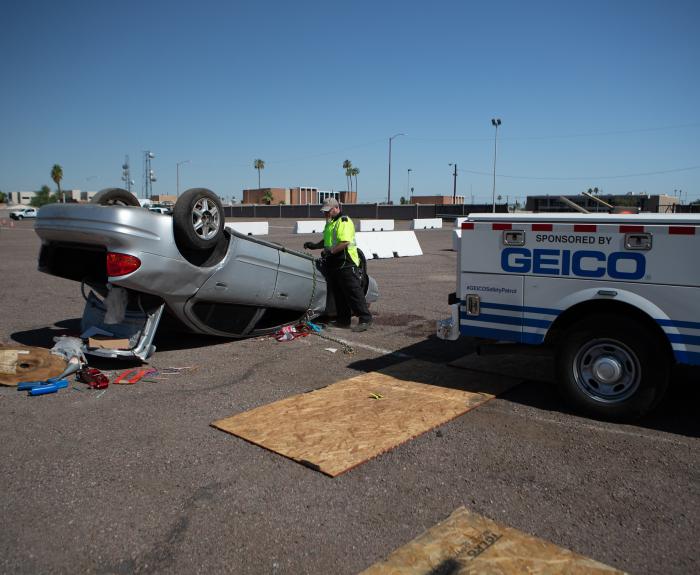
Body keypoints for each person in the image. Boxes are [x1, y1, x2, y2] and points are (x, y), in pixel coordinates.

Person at [304, 198, 372, 332]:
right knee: (339, 294)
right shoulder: (331, 223)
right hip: (334, 263)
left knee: (353, 292)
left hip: (346, 261)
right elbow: (328, 240)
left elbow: (345, 242)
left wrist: (330, 252)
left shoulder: (344, 221)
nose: (326, 214)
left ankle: (365, 318)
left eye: (328, 211)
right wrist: (315, 245)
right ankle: (343, 320)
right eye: (324, 212)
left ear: (336, 208)